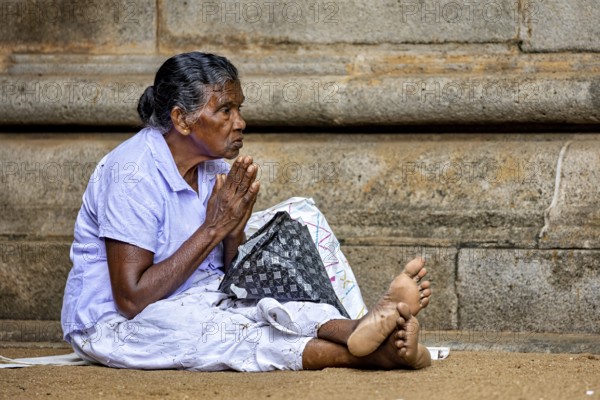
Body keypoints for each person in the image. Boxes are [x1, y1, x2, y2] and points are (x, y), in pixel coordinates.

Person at [60, 51, 432, 371]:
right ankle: (380, 355)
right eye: (225, 110)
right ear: (182, 119)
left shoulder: (215, 166)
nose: (240, 122)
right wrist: (215, 227)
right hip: (118, 325)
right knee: (231, 333)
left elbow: (232, 276)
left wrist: (234, 230)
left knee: (273, 292)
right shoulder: (132, 172)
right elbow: (132, 299)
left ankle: (358, 329)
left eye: (239, 108)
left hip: (203, 296)